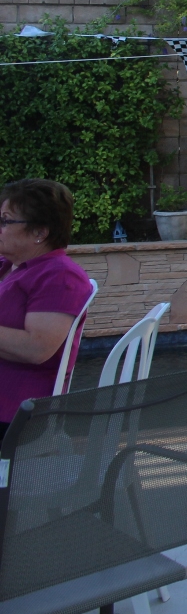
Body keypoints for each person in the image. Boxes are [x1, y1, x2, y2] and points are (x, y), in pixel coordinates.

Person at [0, 179, 95, 440]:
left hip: (18, 411)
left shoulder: (60, 277)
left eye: (6, 221)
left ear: (39, 232)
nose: (0, 227)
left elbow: (37, 348)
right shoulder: (9, 264)